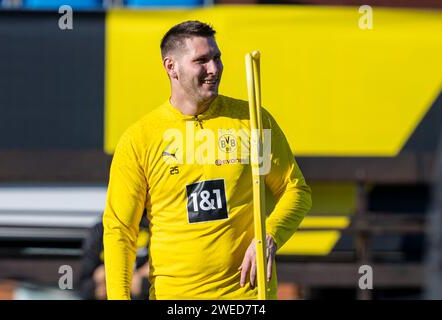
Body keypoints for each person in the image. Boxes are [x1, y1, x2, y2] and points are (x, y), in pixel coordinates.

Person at [103, 20, 312, 300]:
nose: (214, 69)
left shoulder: (251, 120)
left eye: (217, 58)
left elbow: (294, 189)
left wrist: (270, 237)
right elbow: (120, 229)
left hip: (245, 298)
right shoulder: (140, 138)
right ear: (171, 67)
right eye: (201, 60)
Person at [79, 213, 150, 300]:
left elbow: (162, 274)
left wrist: (143, 283)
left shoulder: (155, 226)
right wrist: (95, 288)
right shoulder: (101, 229)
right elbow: (83, 283)